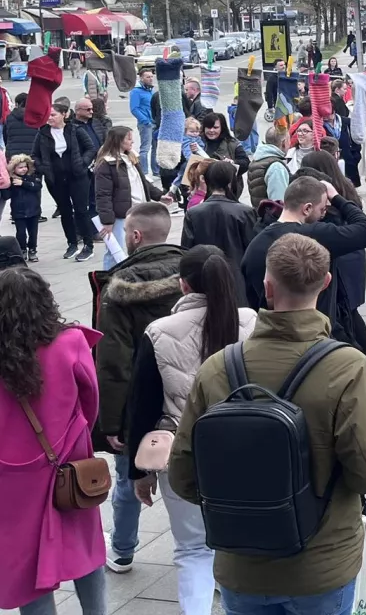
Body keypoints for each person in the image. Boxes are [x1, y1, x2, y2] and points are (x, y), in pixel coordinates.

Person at [168, 233, 366, 615]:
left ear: (266, 285)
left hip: (241, 565)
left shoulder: (218, 368)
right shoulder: (348, 367)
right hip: (321, 564)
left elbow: (183, 476)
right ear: (326, 283)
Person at [124, 246, 256, 615]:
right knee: (239, 545)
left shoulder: (159, 332)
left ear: (183, 284)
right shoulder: (250, 321)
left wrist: (138, 471)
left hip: (182, 455)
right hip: (245, 450)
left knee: (192, 549)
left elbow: (143, 405)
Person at [0, 266, 106, 615]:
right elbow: (91, 401)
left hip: (11, 475)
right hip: (67, 460)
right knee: (84, 548)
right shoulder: (70, 342)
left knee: (24, 562)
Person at [93, 201, 184, 573]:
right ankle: (200, 551)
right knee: (194, 481)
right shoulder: (198, 271)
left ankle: (123, 549)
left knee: (128, 478)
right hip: (189, 399)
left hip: (136, 401)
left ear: (134, 235)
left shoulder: (119, 288)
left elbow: (113, 361)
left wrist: (111, 423)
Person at [240, 175, 366, 367]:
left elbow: (252, 298)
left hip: (274, 344)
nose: (324, 214)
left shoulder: (255, 246)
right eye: (322, 209)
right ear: (306, 208)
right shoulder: (316, 235)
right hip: (318, 340)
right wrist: (337, 197)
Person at [92, 124, 166, 269]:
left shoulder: (131, 158)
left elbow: (142, 182)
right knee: (116, 252)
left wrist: (159, 196)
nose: (132, 142)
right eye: (129, 139)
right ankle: (107, 280)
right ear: (118, 141)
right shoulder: (107, 164)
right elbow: (103, 194)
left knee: (139, 249)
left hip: (138, 212)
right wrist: (107, 221)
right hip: (121, 215)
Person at [36, 105, 97, 262]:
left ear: (64, 114)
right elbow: (34, 155)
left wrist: (83, 164)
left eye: (53, 115)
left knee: (81, 210)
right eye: (47, 115)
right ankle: (72, 243)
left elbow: (91, 148)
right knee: (65, 211)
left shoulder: (76, 130)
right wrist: (43, 168)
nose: (49, 118)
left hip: (78, 177)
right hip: (56, 179)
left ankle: (88, 245)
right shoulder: (42, 133)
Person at [180, 160, 258, 282]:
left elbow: (186, 251)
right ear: (231, 181)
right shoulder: (245, 212)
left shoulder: (193, 213)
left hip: (205, 279)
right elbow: (252, 251)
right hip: (238, 279)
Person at [9, 153, 41, 261]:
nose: (23, 169)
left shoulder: (32, 177)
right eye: (20, 167)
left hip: (33, 211)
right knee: (21, 233)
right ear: (14, 169)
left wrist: (23, 183)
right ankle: (22, 249)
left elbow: (37, 186)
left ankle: (32, 249)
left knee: (33, 233)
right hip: (19, 212)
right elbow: (7, 194)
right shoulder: (11, 181)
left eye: (25, 167)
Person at [130, 66, 158, 177]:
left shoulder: (150, 90)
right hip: (146, 124)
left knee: (155, 148)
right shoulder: (136, 91)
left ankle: (156, 171)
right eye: (147, 77)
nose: (150, 79)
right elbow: (134, 108)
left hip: (154, 122)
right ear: (141, 78)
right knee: (145, 148)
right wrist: (145, 120)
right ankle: (144, 172)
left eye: (151, 76)